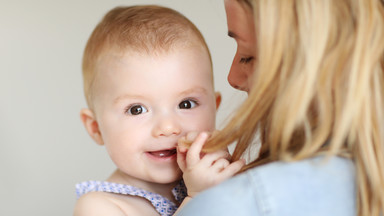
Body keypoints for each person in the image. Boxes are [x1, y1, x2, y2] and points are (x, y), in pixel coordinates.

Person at [176, 0, 384, 216]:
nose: (232, 77)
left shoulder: (241, 204)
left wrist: (200, 199)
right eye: (137, 109)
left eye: (247, 56)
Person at [73, 5, 244, 216]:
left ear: (214, 107)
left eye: (186, 104)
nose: (168, 127)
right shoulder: (99, 207)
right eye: (136, 109)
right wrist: (199, 199)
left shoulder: (214, 178)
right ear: (95, 128)